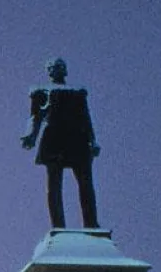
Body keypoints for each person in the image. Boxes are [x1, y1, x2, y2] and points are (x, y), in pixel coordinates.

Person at [20, 58, 101, 229]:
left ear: (65, 71)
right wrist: (31, 137)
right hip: (54, 141)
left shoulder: (78, 92)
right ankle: (58, 225)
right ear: (49, 72)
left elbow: (86, 119)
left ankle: (91, 223)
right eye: (53, 68)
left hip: (78, 141)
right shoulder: (42, 92)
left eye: (60, 67)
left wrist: (93, 141)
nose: (56, 70)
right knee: (55, 186)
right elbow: (36, 117)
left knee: (86, 185)